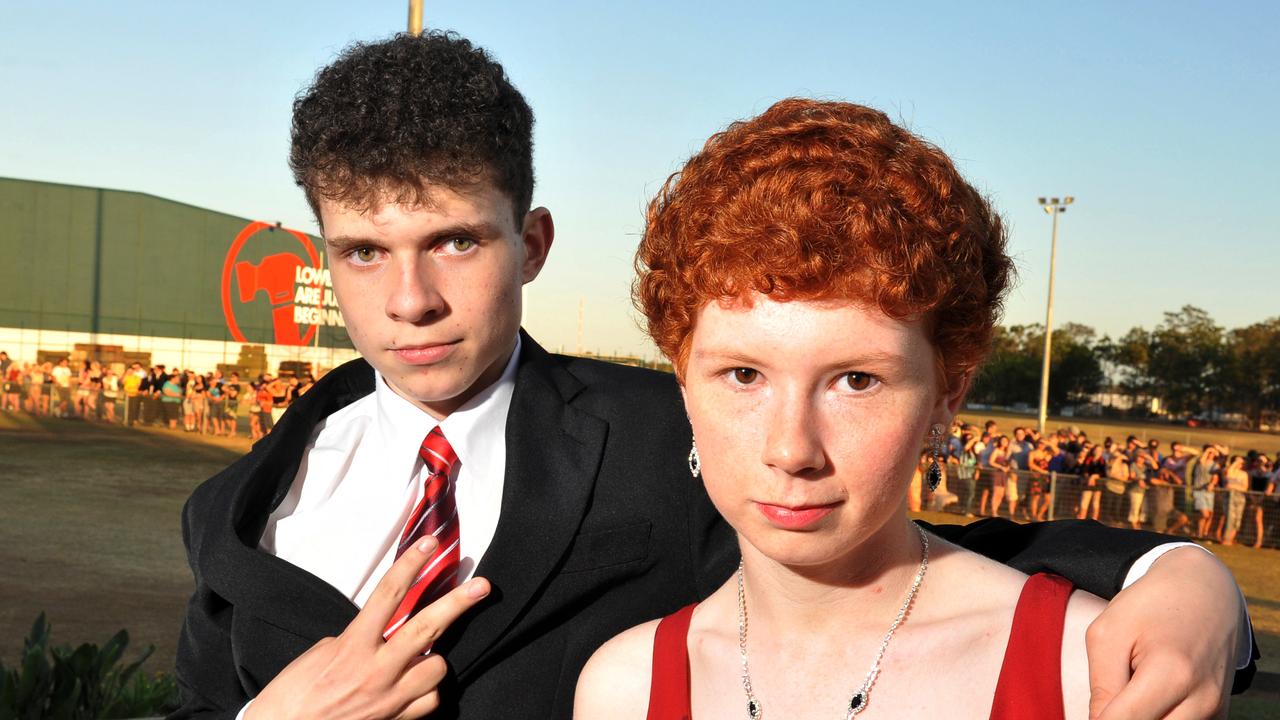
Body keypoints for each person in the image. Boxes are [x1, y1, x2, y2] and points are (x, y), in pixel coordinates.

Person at [173, 33, 1256, 720]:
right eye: (364, 251)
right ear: (325, 256)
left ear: (532, 242)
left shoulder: (674, 427)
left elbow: (914, 553)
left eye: (456, 242)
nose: (409, 300)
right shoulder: (242, 502)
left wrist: (1186, 577)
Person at [575, 98, 1240, 720]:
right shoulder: (621, 688)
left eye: (857, 380)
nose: (792, 450)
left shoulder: (1091, 670)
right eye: (744, 374)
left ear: (948, 394)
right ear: (684, 384)